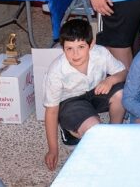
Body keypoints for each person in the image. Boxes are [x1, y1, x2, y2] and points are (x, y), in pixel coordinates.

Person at [42, 19, 126, 171]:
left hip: (96, 91)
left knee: (121, 93)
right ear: (62, 47)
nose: (75, 54)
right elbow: (51, 111)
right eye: (69, 48)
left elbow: (123, 72)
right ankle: (70, 129)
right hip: (71, 102)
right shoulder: (56, 71)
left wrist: (110, 80)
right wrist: (53, 149)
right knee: (95, 131)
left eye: (81, 47)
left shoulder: (101, 53)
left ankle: (115, 132)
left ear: (91, 44)